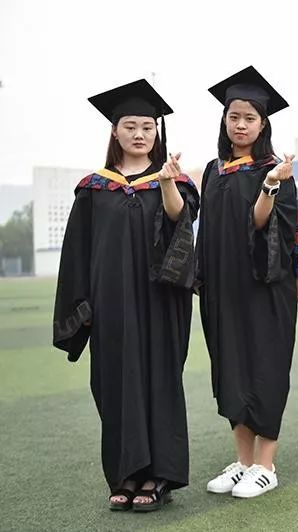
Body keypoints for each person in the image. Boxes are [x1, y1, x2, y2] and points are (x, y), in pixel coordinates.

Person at [53, 79, 199, 512]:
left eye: (148, 127)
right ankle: (125, 474)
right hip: (112, 306)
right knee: (115, 386)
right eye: (131, 126)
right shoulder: (95, 189)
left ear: (157, 133)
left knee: (158, 381)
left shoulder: (170, 182)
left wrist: (168, 181)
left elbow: (180, 223)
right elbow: (76, 255)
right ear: (114, 132)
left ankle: (158, 476)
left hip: (159, 304)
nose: (140, 134)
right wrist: (83, 307)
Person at [197, 66, 298, 499]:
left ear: (263, 124)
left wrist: (270, 186)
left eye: (250, 118)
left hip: (265, 288)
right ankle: (242, 462)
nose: (241, 125)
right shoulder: (212, 170)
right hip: (223, 289)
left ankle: (266, 464)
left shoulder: (276, 170)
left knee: (265, 368)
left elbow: (261, 222)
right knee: (231, 371)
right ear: (225, 120)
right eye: (234, 116)